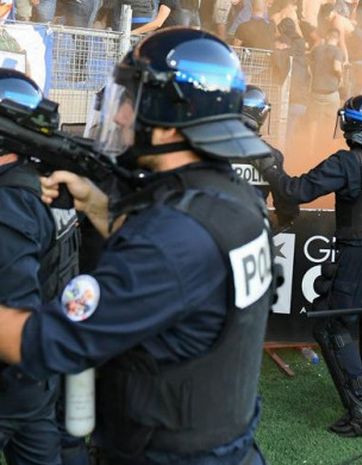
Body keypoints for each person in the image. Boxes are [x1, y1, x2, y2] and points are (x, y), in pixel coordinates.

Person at [0, 28, 274, 464]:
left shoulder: (175, 238)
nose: (122, 114)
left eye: (131, 97)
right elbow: (180, 282)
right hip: (222, 443)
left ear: (168, 121)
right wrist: (97, 206)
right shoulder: (233, 199)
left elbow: (45, 341)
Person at [255, 94, 362, 437]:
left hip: (361, 255)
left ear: (349, 124)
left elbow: (294, 190)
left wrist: (267, 163)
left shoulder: (346, 162)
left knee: (331, 326)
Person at [0, 69, 81, 465]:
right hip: (46, 369)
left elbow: (14, 308)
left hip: (13, 377)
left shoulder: (9, 200)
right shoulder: (49, 183)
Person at [239, 84, 299, 228]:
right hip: (254, 230)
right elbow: (285, 200)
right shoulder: (271, 155)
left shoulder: (210, 148)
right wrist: (280, 221)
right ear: (262, 114)